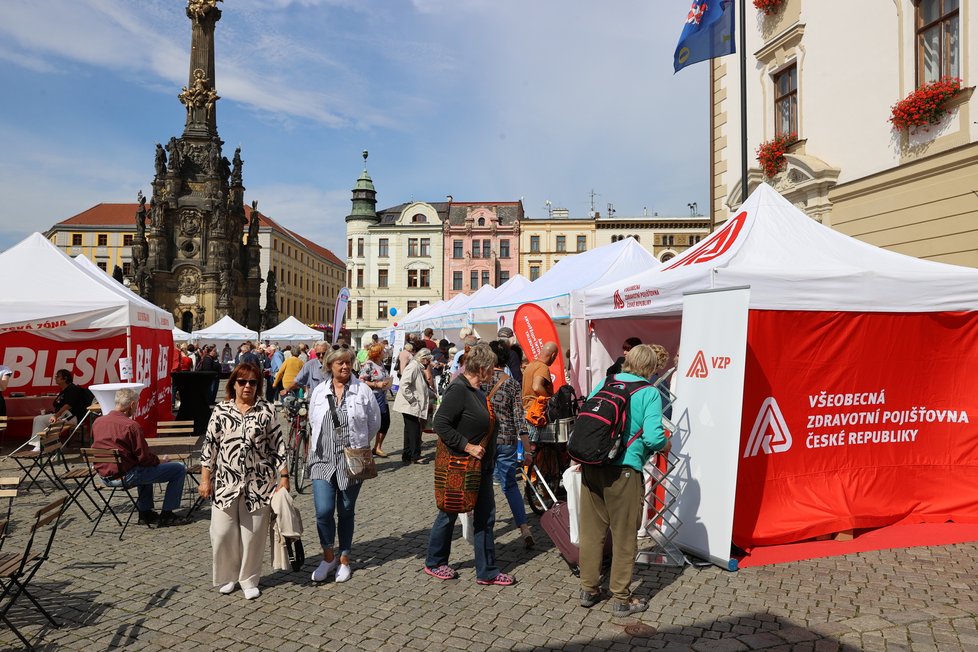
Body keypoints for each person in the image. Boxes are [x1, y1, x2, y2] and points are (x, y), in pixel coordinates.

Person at [578, 344, 671, 618]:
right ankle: (621, 597)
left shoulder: (606, 383)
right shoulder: (649, 393)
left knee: (592, 532)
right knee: (624, 537)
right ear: (652, 368)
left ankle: (589, 589)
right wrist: (666, 444)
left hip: (593, 465)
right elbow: (654, 438)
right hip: (625, 471)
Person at [424, 343, 515, 586]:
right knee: (449, 512)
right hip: (459, 465)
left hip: (480, 466)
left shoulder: (477, 390)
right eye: (492, 367)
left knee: (485, 517)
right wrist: (468, 446)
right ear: (483, 368)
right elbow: (440, 423)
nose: (494, 371)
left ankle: (487, 571)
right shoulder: (459, 389)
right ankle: (434, 562)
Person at [199, 362, 288, 600]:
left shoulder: (266, 410)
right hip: (226, 483)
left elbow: (278, 445)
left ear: (258, 385)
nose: (247, 386)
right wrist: (205, 479)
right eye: (242, 382)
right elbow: (210, 447)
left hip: (259, 484)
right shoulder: (220, 411)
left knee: (253, 535)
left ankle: (249, 579)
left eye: (253, 382)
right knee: (222, 532)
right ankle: (229, 576)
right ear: (233, 384)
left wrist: (284, 476)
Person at [307, 347, 380, 584]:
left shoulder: (363, 391)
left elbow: (374, 423)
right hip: (322, 458)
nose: (345, 367)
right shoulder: (319, 391)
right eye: (340, 363)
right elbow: (312, 420)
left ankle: (345, 558)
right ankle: (328, 556)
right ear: (330, 366)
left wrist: (358, 444)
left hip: (352, 459)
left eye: (348, 363)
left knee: (346, 511)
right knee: (324, 511)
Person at [92, 387, 191, 526]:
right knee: (179, 468)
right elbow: (144, 458)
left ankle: (145, 513)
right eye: (137, 405)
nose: (136, 408)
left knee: (143, 468)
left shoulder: (98, 422)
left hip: (104, 476)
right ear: (132, 405)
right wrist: (161, 461)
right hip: (126, 476)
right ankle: (167, 514)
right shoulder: (132, 426)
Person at [484, 341, 534, 548]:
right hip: (507, 441)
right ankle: (524, 528)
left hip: (484, 441)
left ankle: (485, 529)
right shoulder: (512, 383)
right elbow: (520, 419)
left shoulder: (480, 381)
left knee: (483, 486)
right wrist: (528, 449)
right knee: (510, 485)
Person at [392, 348, 434, 465]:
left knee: (409, 430)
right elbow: (404, 384)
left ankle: (408, 455)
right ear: (424, 359)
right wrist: (413, 400)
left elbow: (420, 387)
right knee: (414, 430)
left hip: (411, 405)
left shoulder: (417, 367)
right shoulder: (414, 367)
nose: (429, 363)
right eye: (428, 360)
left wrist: (432, 394)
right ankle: (415, 455)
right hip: (409, 405)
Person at [359, 344, 393, 458]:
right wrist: (375, 384)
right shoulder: (369, 364)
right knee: (372, 423)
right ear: (378, 353)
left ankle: (377, 447)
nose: (385, 353)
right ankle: (365, 447)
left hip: (383, 396)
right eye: (383, 351)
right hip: (372, 398)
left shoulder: (381, 364)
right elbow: (361, 381)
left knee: (385, 422)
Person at [521, 342, 558, 438]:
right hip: (536, 413)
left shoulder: (530, 365)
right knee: (537, 446)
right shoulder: (542, 367)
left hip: (526, 410)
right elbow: (536, 386)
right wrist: (550, 399)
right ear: (553, 355)